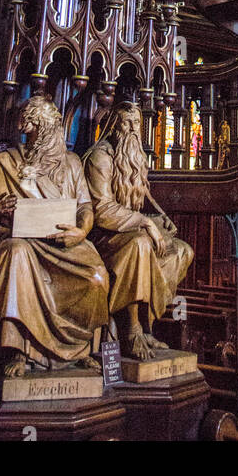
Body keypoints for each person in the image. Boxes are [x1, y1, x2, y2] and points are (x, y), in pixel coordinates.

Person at [0, 96, 110, 378]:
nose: (53, 135)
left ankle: (81, 349)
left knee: (97, 275)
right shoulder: (7, 163)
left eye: (54, 128)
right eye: (45, 129)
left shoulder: (72, 163)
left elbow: (85, 207)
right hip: (23, 240)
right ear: (33, 129)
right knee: (16, 255)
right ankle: (18, 349)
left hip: (64, 240)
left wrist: (81, 232)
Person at [83, 102, 193, 360]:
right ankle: (130, 331)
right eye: (126, 123)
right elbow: (102, 209)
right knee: (140, 245)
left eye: (136, 124)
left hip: (129, 230)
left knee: (182, 251)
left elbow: (137, 206)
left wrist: (156, 220)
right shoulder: (101, 157)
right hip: (102, 236)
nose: (132, 129)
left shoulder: (134, 157)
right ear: (113, 125)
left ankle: (146, 326)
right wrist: (145, 223)